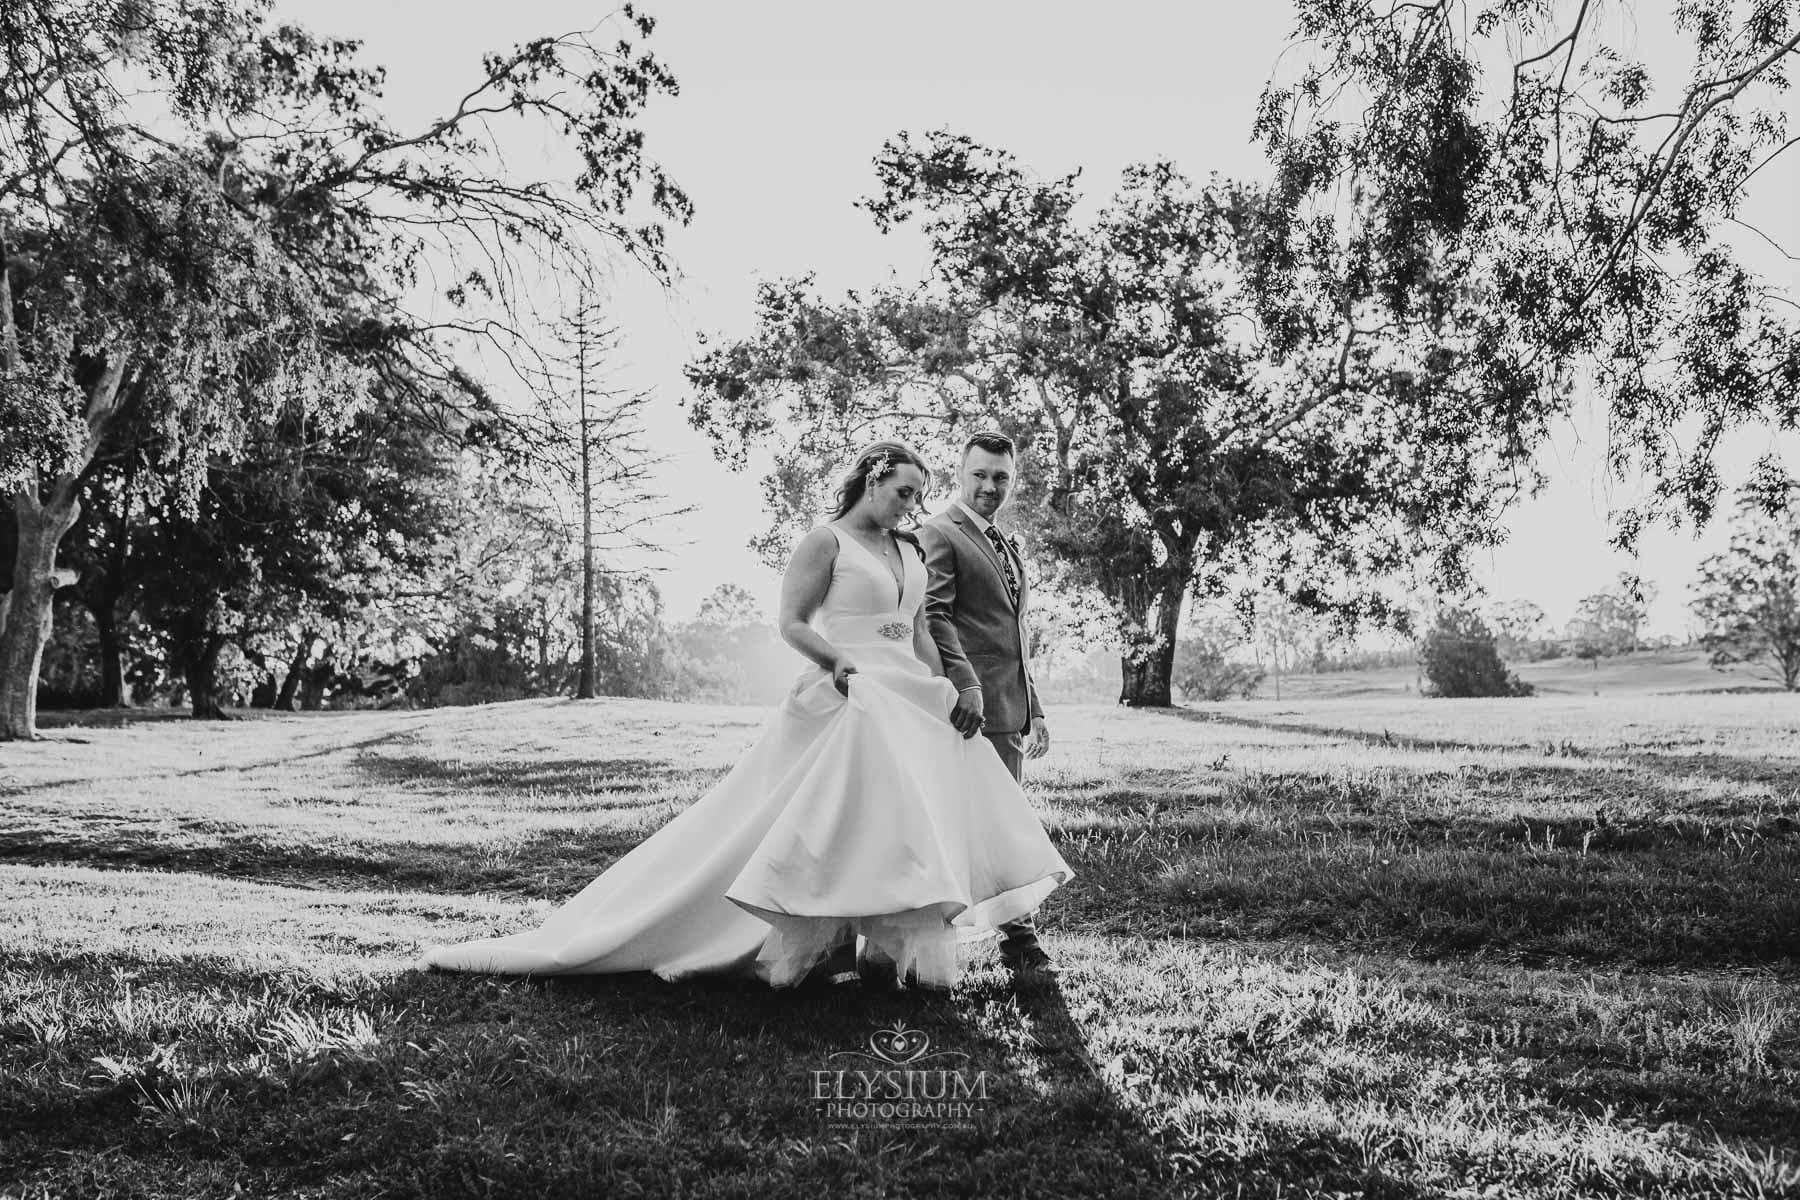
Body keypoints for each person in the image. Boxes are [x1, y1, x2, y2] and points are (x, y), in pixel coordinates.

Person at [422, 440, 1072, 990]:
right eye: (904, 492)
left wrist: (948, 688)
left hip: (908, 699)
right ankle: (801, 939)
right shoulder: (826, 543)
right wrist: (838, 664)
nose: (912, 507)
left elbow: (919, 633)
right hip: (847, 694)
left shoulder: (909, 552)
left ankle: (884, 950)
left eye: (917, 497)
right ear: (873, 479)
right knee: (828, 821)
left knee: (905, 823)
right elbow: (789, 623)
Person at [916, 430, 1054, 973]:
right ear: (960, 473)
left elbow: (1014, 632)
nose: (989, 486)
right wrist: (966, 684)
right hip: (968, 707)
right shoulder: (939, 533)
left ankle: (1003, 936)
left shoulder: (1005, 542)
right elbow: (934, 615)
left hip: (1009, 705)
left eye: (1001, 477)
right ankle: (1019, 941)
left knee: (1000, 820)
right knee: (996, 824)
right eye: (979, 475)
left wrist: (1034, 705)